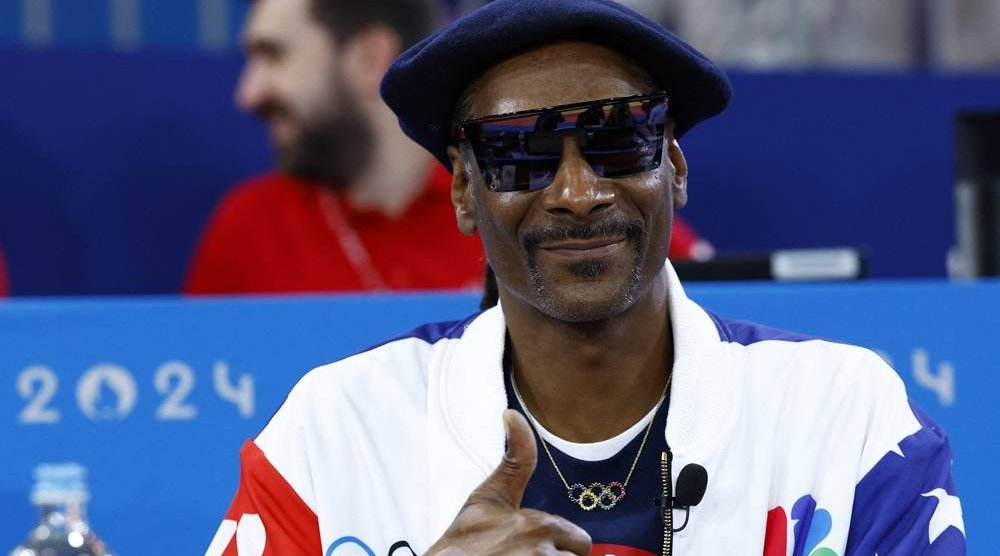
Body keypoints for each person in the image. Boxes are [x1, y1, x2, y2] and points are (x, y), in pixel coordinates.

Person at [207, 1, 966, 555]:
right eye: (519, 154)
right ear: (466, 194)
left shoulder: (847, 423)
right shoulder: (334, 434)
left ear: (673, 166)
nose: (579, 192)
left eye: (619, 139)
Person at [185, 0, 485, 294]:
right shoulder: (248, 229)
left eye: (273, 55)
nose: (247, 94)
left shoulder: (496, 209)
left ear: (369, 57)